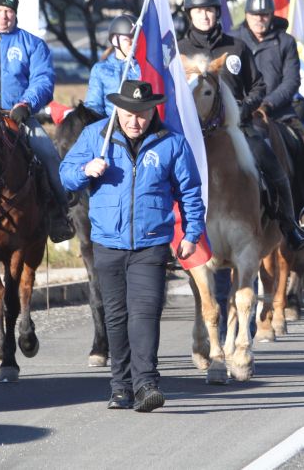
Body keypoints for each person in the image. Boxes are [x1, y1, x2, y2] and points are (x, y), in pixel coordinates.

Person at [59, 80, 205, 412]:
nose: (134, 122)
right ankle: (120, 386)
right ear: (117, 110)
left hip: (151, 243)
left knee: (145, 312)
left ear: (153, 109)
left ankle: (146, 385)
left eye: (141, 115)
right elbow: (65, 175)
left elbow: (191, 193)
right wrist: (85, 169)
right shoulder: (98, 136)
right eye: (127, 115)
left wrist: (192, 234)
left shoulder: (172, 143)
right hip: (108, 242)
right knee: (116, 315)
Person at [181, 0, 304, 250]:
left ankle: (289, 224)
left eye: (210, 10)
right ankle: (165, 240)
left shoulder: (236, 47)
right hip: (191, 133)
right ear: (189, 15)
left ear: (217, 13)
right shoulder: (178, 51)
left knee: (271, 163)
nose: (205, 16)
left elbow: (258, 86)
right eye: (199, 11)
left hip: (236, 127)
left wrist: (243, 108)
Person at [0, 0, 74, 243]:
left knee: (48, 155)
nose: (4, 15)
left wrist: (25, 104)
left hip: (18, 115)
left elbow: (43, 80)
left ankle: (60, 215)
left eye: (9, 10)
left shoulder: (32, 44)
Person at [85, 14, 140, 117]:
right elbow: (93, 105)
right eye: (127, 40)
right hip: (110, 126)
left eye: (136, 39)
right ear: (115, 41)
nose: (134, 44)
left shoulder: (144, 68)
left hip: (138, 124)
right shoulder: (101, 70)